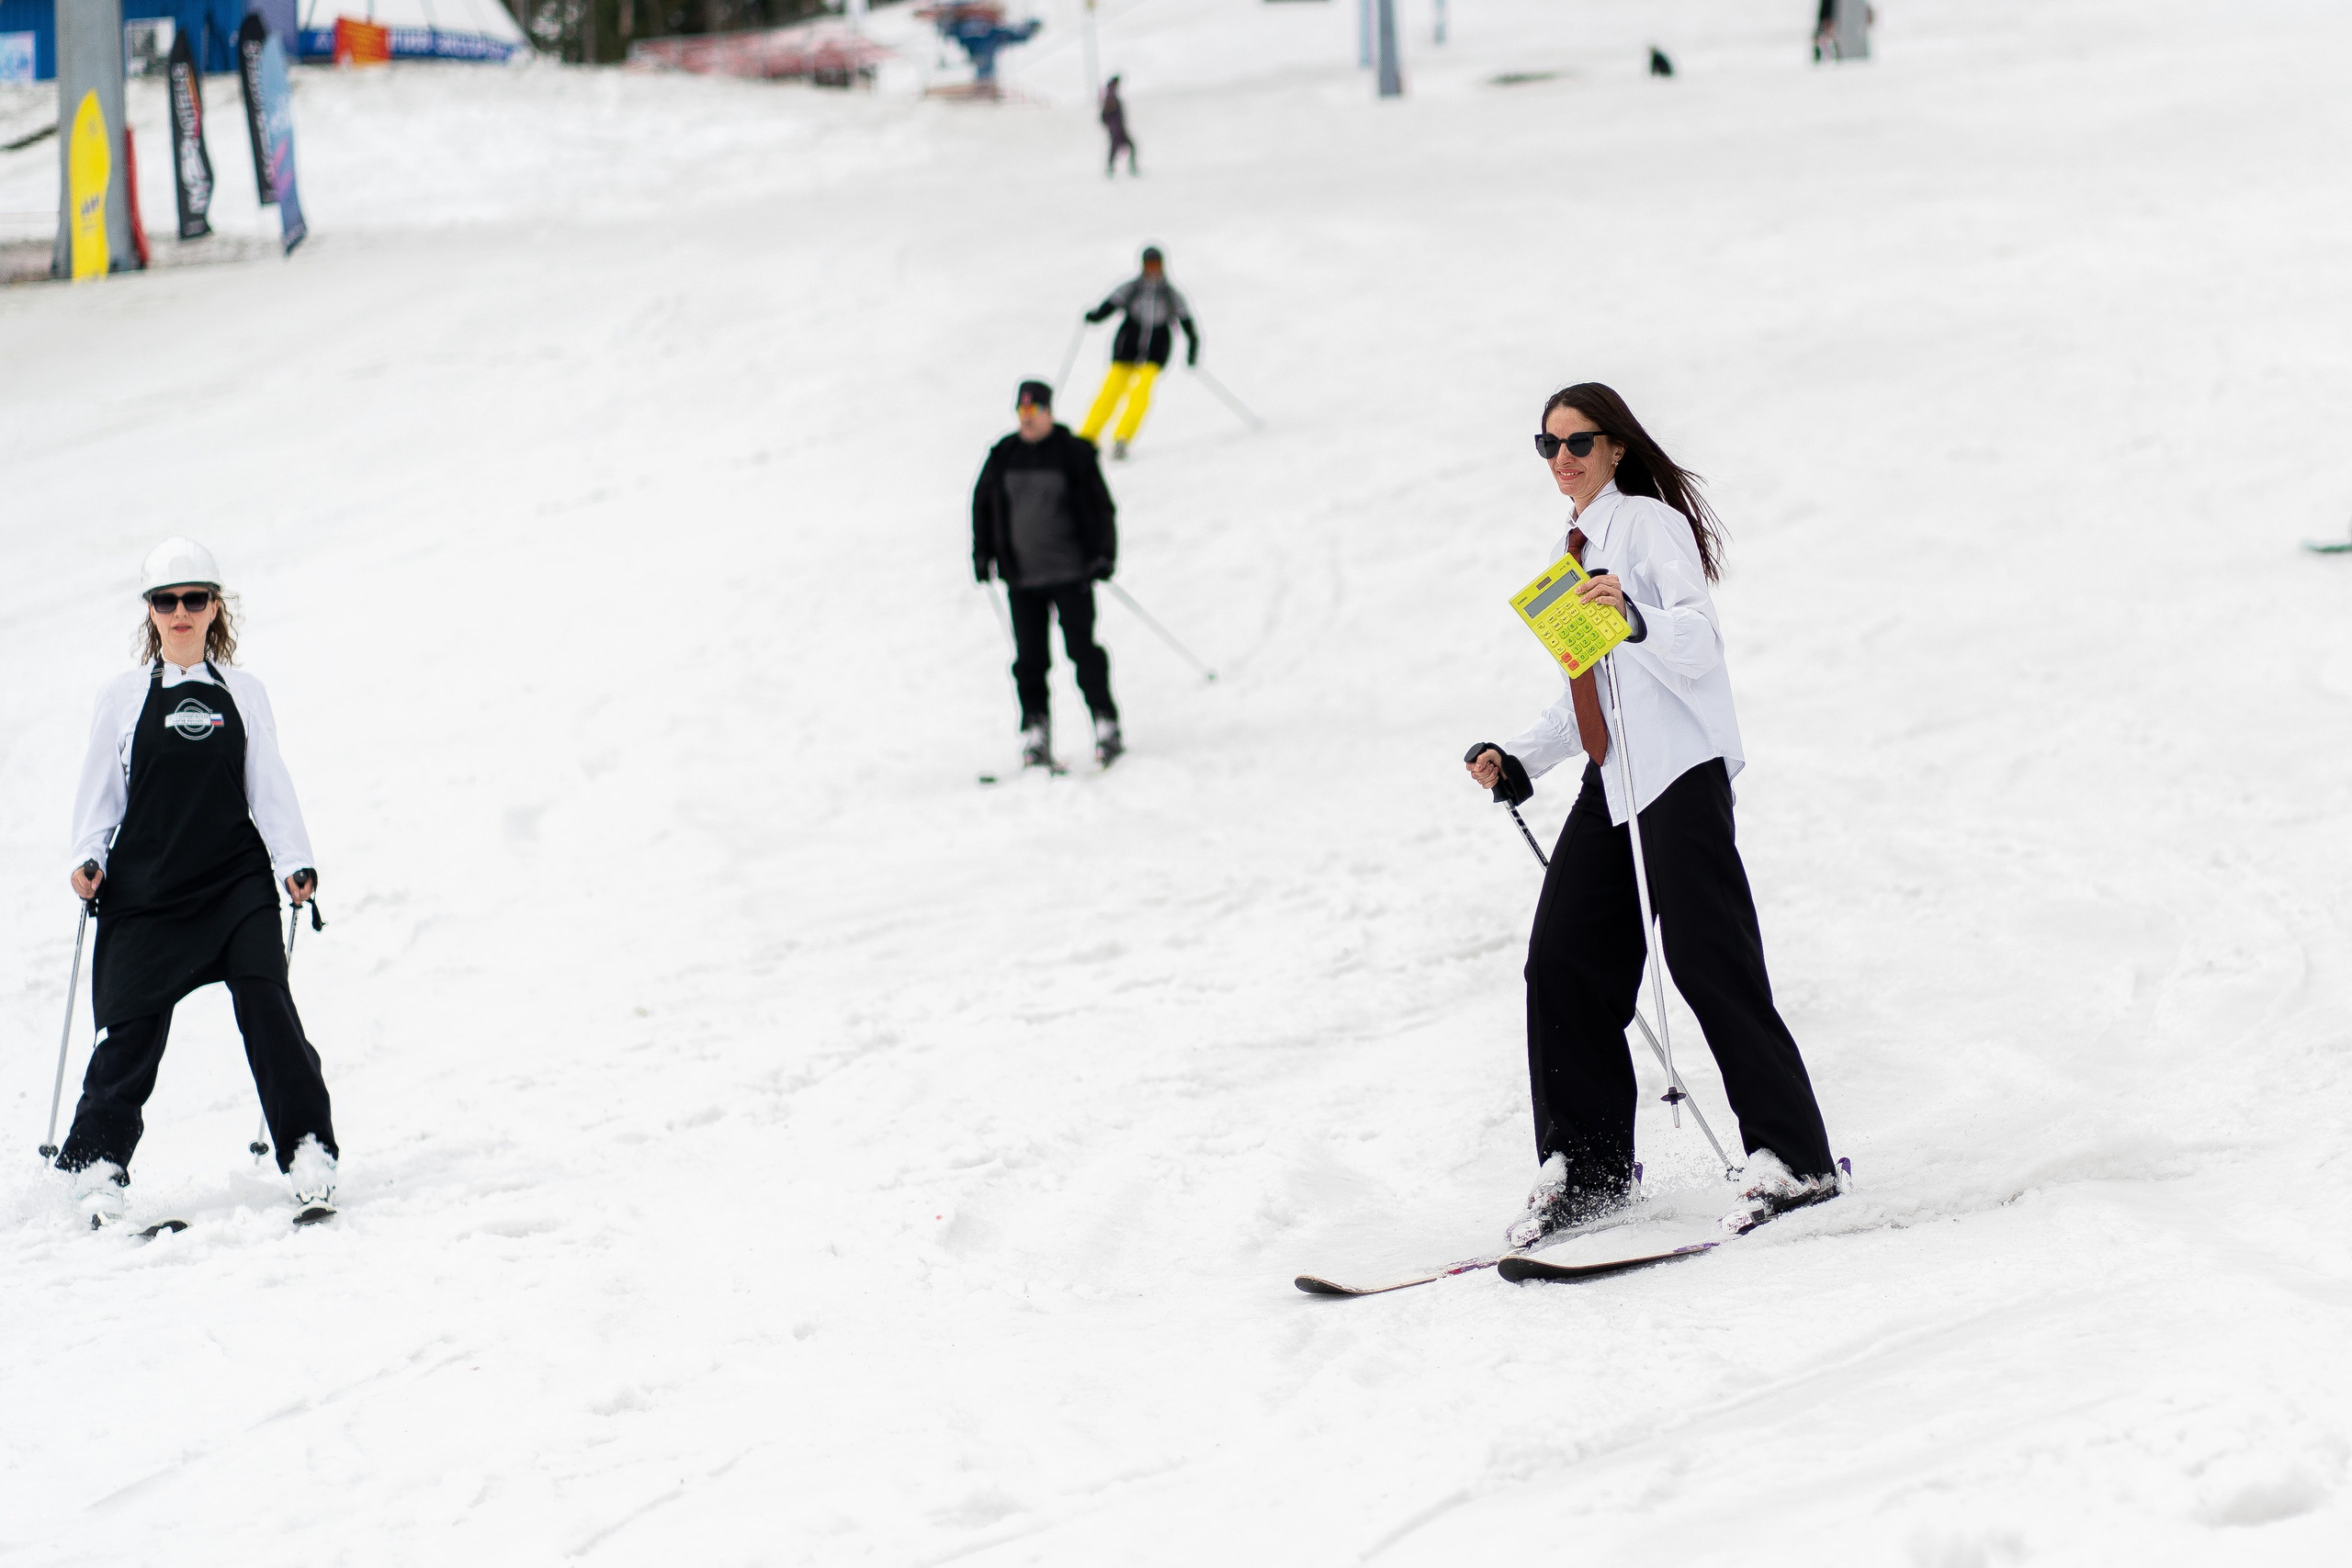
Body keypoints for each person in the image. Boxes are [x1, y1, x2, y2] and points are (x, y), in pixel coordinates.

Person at [1464, 384, 1838, 1247]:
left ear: (1618, 447)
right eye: (1548, 445)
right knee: (1561, 962)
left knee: (1710, 961)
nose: (1562, 459)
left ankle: (1795, 1157)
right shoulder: (1574, 552)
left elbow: (1697, 642)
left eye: (1579, 443)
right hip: (1615, 781)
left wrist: (1634, 617)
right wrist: (1521, 757)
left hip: (1679, 769)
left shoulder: (1647, 526)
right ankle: (1587, 1169)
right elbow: (1589, 688)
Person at [56, 536, 337, 1227]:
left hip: (232, 881)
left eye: (194, 598)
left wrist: (292, 860)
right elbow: (100, 796)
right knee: (130, 1030)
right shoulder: (121, 698)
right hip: (147, 887)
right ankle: (96, 1168)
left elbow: (267, 785)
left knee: (268, 1007)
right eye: (166, 600)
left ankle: (308, 1153)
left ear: (216, 607)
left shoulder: (243, 693)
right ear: (150, 611)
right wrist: (89, 857)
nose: (180, 612)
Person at [973, 380, 1124, 770]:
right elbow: (984, 504)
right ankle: (1035, 733)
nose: (1027, 420)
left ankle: (1105, 723)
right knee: (1030, 661)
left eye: (1033, 413)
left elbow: (1101, 507)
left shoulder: (1073, 453)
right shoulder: (1004, 455)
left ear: (1048, 412)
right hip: (1022, 580)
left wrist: (1104, 555)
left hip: (1071, 573)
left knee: (1083, 652)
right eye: (1021, 413)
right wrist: (983, 553)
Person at [1078, 245, 1198, 460]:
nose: (1153, 269)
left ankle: (1122, 438)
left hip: (1156, 351)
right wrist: (1095, 316)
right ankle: (1087, 437)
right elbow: (1111, 304)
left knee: (1140, 395)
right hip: (1127, 347)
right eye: (1149, 265)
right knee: (1110, 391)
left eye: (1156, 265)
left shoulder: (1171, 295)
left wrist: (1192, 349)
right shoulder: (1132, 288)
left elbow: (1187, 322)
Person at [1101, 74, 1137, 177]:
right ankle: (1127, 168)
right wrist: (1112, 126)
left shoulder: (1110, 95)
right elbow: (1105, 115)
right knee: (1127, 146)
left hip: (1117, 128)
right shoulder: (1111, 96)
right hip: (1116, 129)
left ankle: (1112, 168)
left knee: (1118, 148)